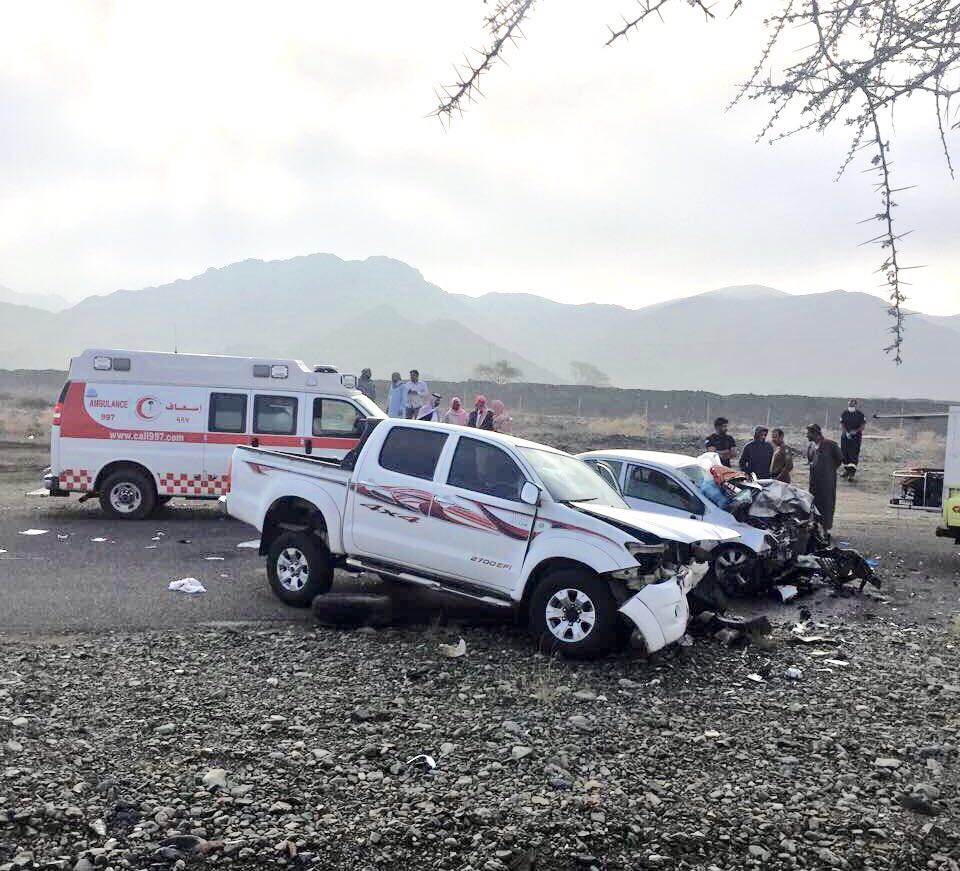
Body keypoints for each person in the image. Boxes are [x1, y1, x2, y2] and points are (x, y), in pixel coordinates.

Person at [806, 423, 843, 531]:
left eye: (808, 433)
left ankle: (826, 528)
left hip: (827, 483)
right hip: (814, 483)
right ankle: (816, 528)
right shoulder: (811, 447)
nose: (807, 435)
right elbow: (810, 461)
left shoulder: (830, 445)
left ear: (816, 434)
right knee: (814, 505)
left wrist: (829, 470)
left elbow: (839, 459)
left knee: (826, 505)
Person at [840, 398, 866, 481]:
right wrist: (846, 433)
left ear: (855, 405)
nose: (850, 405)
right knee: (844, 454)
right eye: (849, 404)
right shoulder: (844, 413)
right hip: (845, 437)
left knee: (853, 455)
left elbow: (862, 426)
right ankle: (846, 471)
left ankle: (852, 474)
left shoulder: (860, 414)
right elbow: (842, 424)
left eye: (852, 404)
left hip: (856, 438)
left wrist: (856, 431)